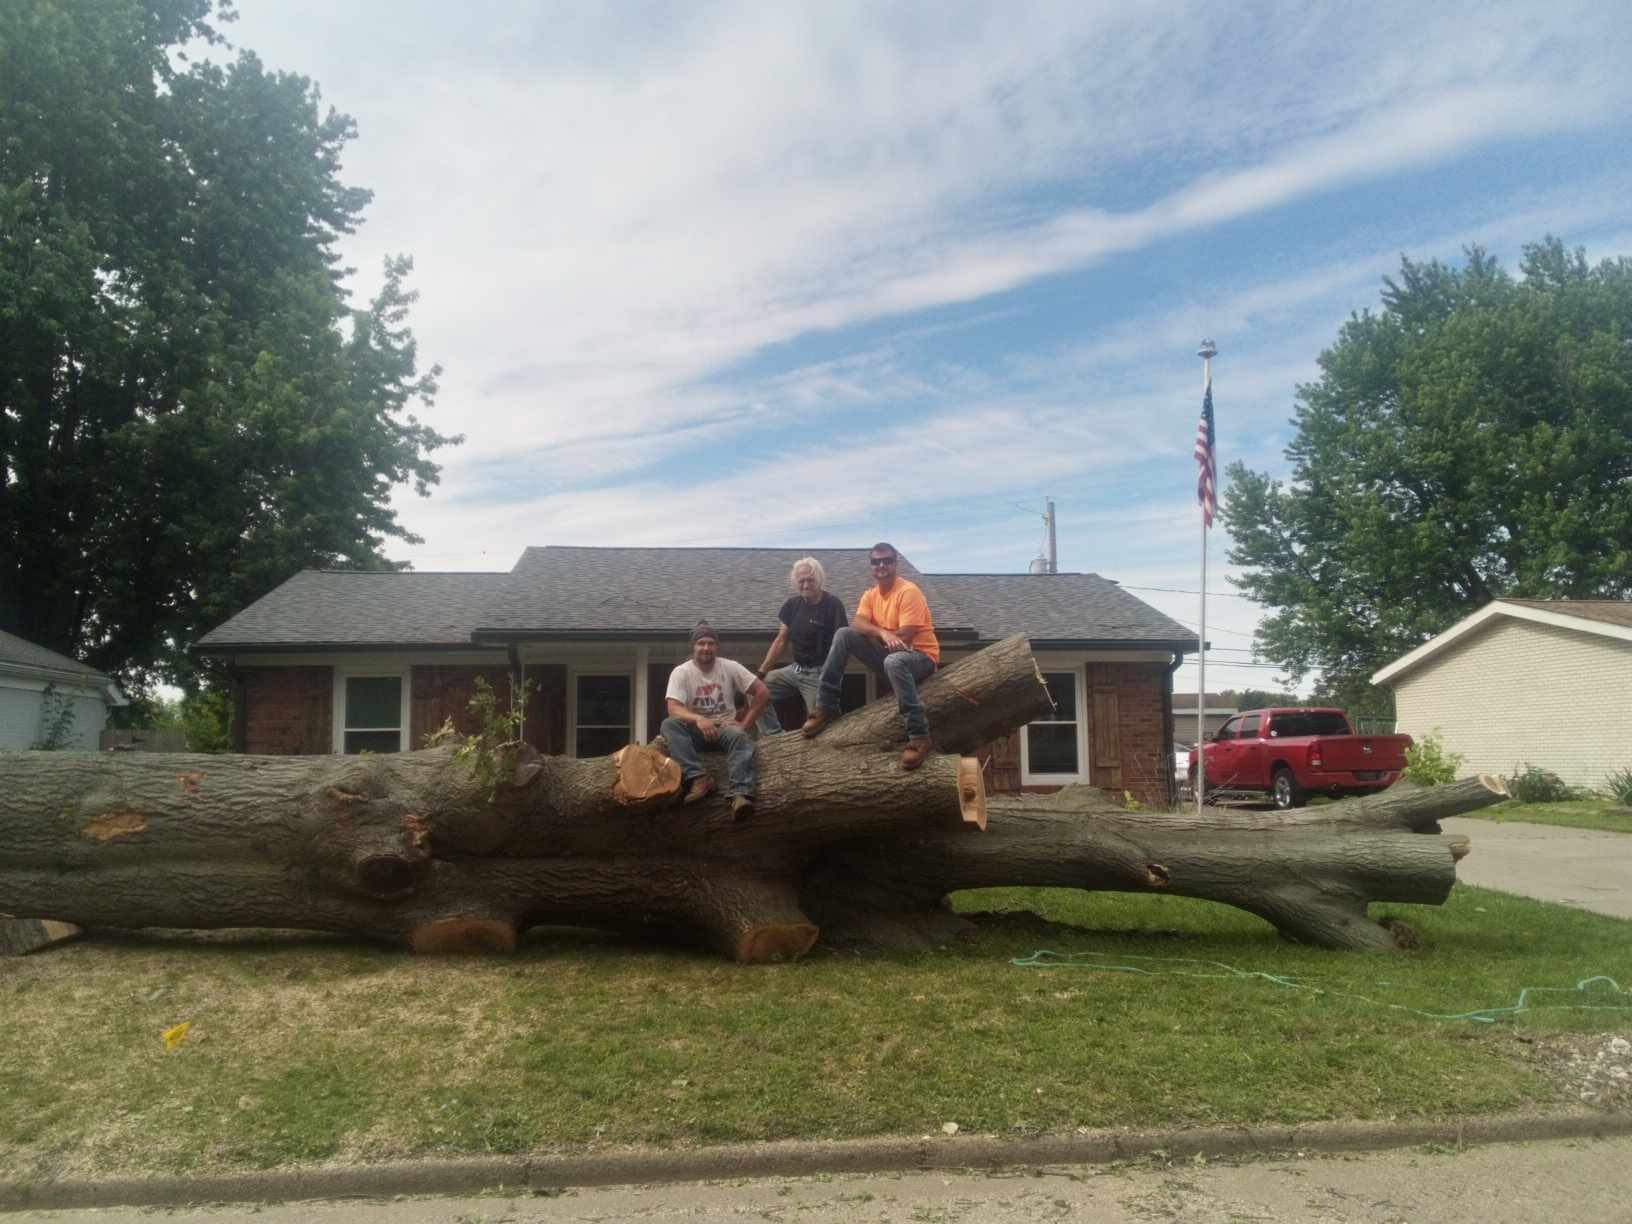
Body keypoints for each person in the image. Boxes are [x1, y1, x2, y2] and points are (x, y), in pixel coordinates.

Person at [801, 542, 940, 770]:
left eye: (887, 560)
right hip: (889, 658)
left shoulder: (909, 591)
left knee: (893, 660)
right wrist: (881, 633)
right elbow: (857, 623)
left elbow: (904, 636)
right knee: (844, 634)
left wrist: (876, 636)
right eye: (876, 561)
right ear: (871, 566)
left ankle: (919, 736)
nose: (881, 565)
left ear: (895, 564)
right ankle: (826, 706)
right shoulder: (870, 595)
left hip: (920, 658)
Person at [661, 621, 769, 819]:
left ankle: (740, 795)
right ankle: (699, 778)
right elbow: (673, 708)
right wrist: (699, 719)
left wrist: (745, 724)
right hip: (695, 731)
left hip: (724, 729)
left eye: (711, 643)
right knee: (669, 725)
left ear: (716, 647)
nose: (706, 648)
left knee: (740, 736)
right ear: (694, 646)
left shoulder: (730, 667)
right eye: (701, 643)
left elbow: (762, 692)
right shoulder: (681, 672)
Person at [753, 557, 848, 734]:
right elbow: (781, 640)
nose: (805, 585)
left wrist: (829, 681)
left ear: (819, 579)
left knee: (819, 727)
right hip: (795, 670)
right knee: (756, 691)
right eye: (801, 580)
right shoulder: (792, 605)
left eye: (810, 580)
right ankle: (774, 737)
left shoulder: (833, 605)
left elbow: (840, 648)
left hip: (819, 674)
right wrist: (761, 673)